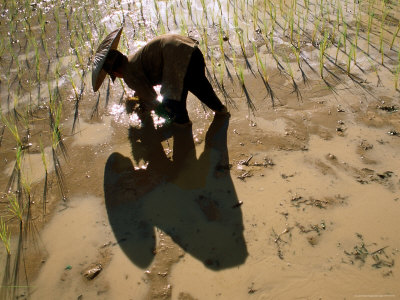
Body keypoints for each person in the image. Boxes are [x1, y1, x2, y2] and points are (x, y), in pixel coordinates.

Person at [92, 28, 228, 125]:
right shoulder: (134, 58)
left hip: (178, 61)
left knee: (173, 106)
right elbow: (143, 87)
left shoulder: (128, 74)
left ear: (116, 73)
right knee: (199, 86)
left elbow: (152, 100)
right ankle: (221, 111)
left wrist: (165, 117)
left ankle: (183, 128)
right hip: (190, 50)